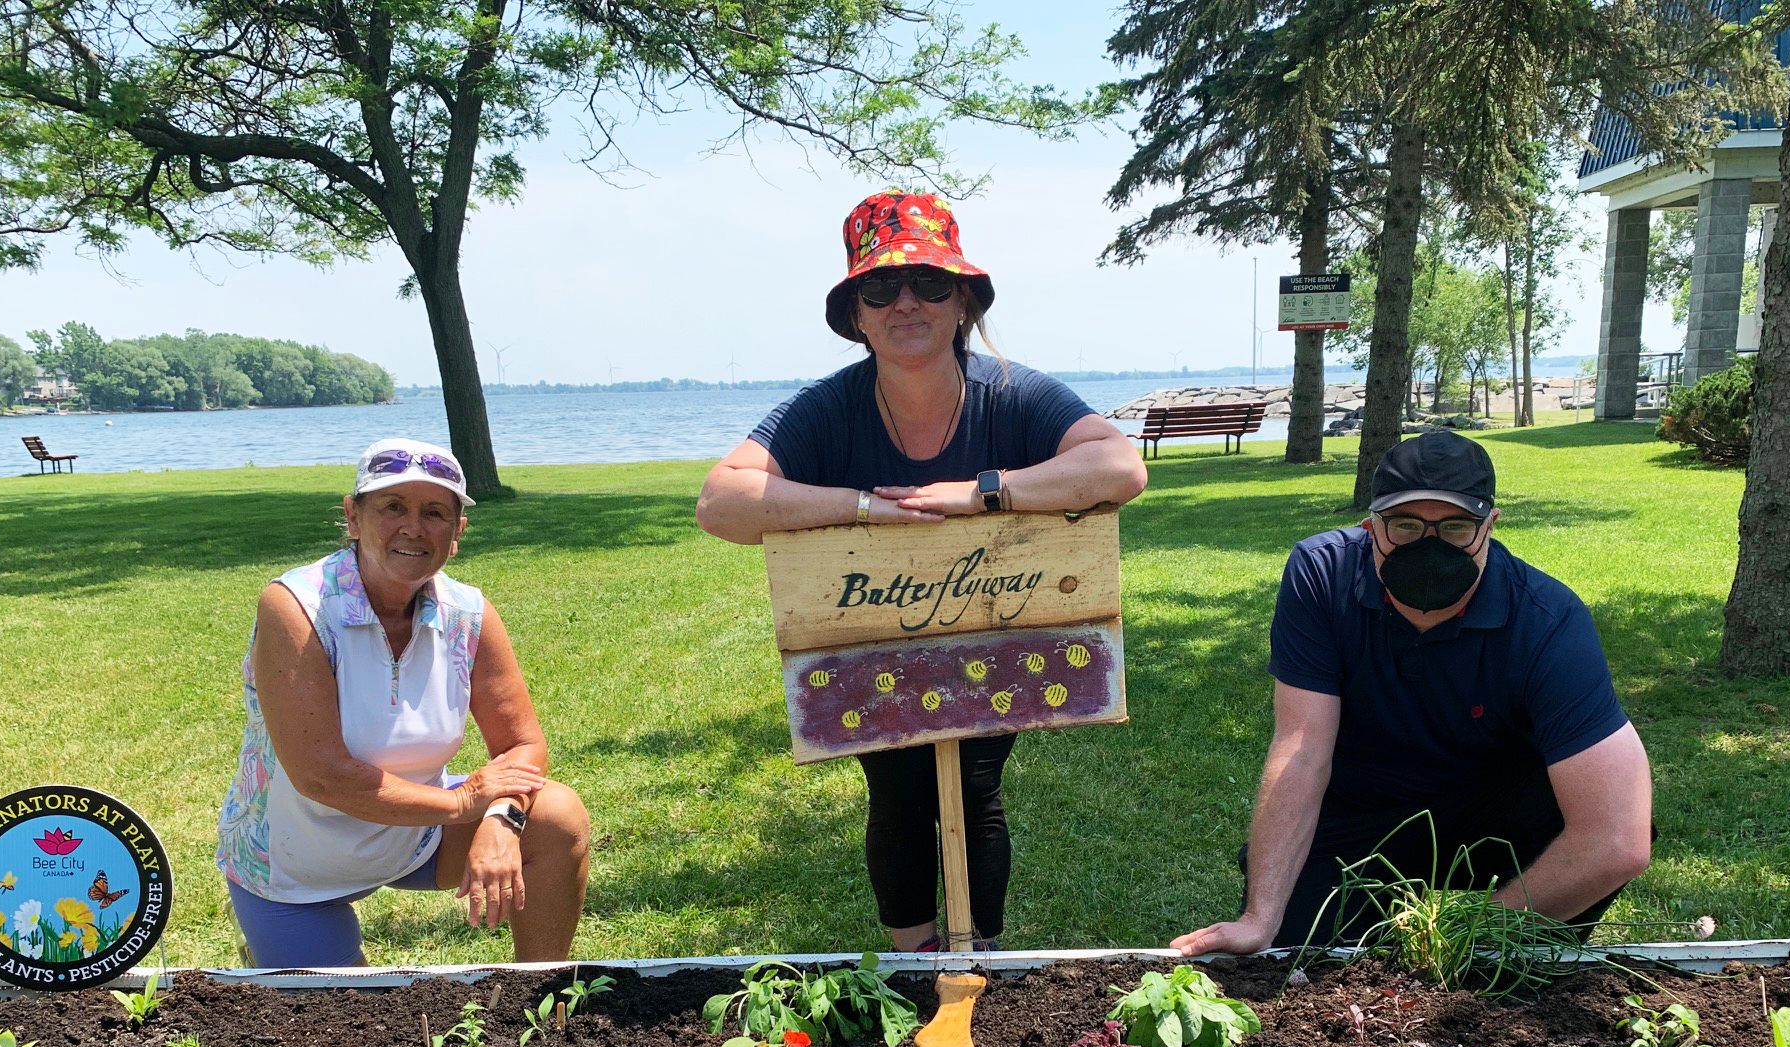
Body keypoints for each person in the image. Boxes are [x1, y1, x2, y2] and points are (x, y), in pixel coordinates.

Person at [697, 191, 1147, 951]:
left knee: (974, 784)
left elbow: (1119, 468)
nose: (906, 302)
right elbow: (722, 502)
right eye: (881, 288)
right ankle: (915, 953)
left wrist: (985, 492)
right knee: (898, 786)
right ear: (858, 315)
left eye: (930, 283)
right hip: (871, 634)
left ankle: (981, 949)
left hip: (992, 626)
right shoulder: (827, 408)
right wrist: (863, 507)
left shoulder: (1011, 390)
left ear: (963, 302)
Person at [1172, 429, 1652, 957]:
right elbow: (1302, 749)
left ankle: (1503, 945)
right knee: (1298, 955)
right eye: (1404, 525)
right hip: (1362, 806)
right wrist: (1259, 916)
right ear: (1370, 525)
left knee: (1498, 975)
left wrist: (1464, 941)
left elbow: (1617, 839)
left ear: (1489, 527)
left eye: (1454, 527)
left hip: (1495, 808)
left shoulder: (1547, 620)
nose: (1428, 546)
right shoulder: (1322, 575)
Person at [217, 438, 591, 968]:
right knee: (336, 1041)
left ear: (457, 533)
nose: (414, 527)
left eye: (435, 512)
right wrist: (467, 804)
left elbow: (522, 745)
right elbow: (322, 775)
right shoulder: (297, 606)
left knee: (555, 815)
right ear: (353, 517)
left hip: (416, 836)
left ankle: (539, 994)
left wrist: (501, 819)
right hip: (294, 868)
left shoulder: (468, 614)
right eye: (393, 506)